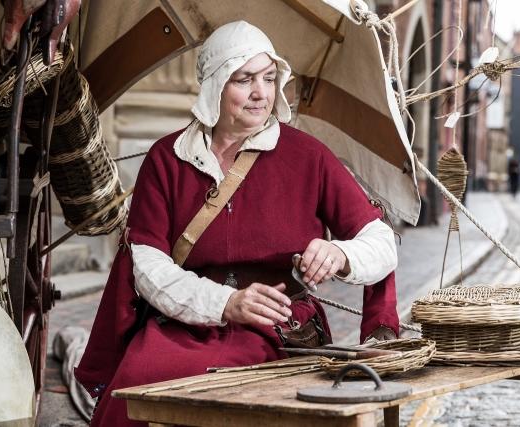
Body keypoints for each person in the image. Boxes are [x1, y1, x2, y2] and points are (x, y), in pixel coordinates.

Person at [74, 21, 400, 426]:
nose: (261, 93)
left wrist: (340, 252)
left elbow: (381, 241)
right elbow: (148, 266)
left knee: (231, 394)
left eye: (268, 77)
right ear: (214, 85)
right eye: (244, 80)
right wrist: (225, 303)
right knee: (134, 388)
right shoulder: (166, 159)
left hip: (276, 328)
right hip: (182, 321)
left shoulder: (309, 157)